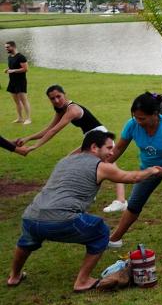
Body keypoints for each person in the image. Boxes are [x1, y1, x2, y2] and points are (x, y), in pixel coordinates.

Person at [8, 130, 162, 292]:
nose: (112, 152)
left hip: (31, 217)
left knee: (26, 242)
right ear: (94, 148)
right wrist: (152, 171)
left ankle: (14, 276)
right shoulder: (101, 166)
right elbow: (132, 177)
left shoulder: (64, 161)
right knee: (101, 231)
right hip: (61, 219)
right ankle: (82, 281)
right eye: (108, 148)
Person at [107, 93, 162, 258]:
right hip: (149, 169)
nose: (138, 122)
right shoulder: (132, 125)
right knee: (134, 203)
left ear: (155, 114)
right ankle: (115, 239)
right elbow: (118, 149)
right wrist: (101, 164)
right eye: (136, 117)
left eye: (142, 118)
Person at [14, 84, 128, 212]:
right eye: (52, 98)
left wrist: (35, 146)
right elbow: (49, 128)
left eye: (59, 96)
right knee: (76, 162)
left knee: (107, 165)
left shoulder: (73, 110)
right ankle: (90, 193)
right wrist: (28, 138)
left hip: (100, 137)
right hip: (91, 139)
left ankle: (121, 201)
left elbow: (54, 131)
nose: (56, 100)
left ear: (65, 94)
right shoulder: (60, 109)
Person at [5, 41, 31, 124]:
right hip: (12, 82)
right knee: (16, 102)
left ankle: (28, 119)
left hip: (20, 82)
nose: (6, 49)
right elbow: (12, 67)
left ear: (13, 47)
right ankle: (20, 118)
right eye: (6, 47)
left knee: (24, 101)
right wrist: (8, 69)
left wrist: (14, 70)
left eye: (8, 47)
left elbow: (26, 69)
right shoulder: (10, 57)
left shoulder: (21, 57)